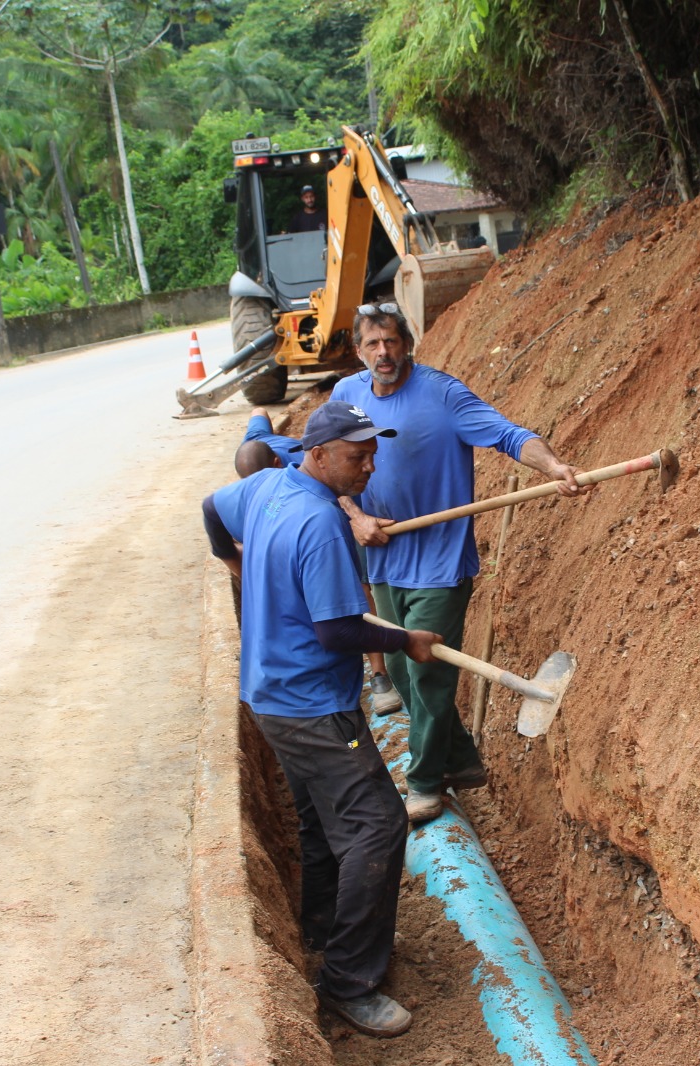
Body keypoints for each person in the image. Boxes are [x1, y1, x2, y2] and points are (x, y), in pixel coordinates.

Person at [202, 401, 442, 1039]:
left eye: (372, 454)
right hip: (314, 705)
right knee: (378, 824)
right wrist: (405, 641)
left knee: (315, 814)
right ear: (316, 452)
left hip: (270, 695)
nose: (368, 466)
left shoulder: (265, 487)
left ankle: (316, 926)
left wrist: (237, 567)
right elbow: (338, 629)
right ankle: (349, 982)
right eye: (356, 455)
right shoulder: (319, 524)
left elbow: (209, 507)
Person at [331, 303, 589, 825]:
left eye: (392, 342)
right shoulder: (346, 396)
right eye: (373, 344)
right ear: (359, 351)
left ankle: (425, 782)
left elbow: (509, 434)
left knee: (428, 674)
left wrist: (555, 465)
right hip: (382, 558)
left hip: (441, 562)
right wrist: (355, 515)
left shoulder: (442, 395)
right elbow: (321, 464)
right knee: (402, 673)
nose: (384, 353)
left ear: (408, 343)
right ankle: (462, 760)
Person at [233, 406, 405, 715]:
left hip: (348, 502)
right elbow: (258, 411)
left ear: (276, 462)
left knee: (356, 587)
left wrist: (357, 517)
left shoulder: (313, 469)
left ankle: (379, 674)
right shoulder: (259, 458)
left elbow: (336, 492)